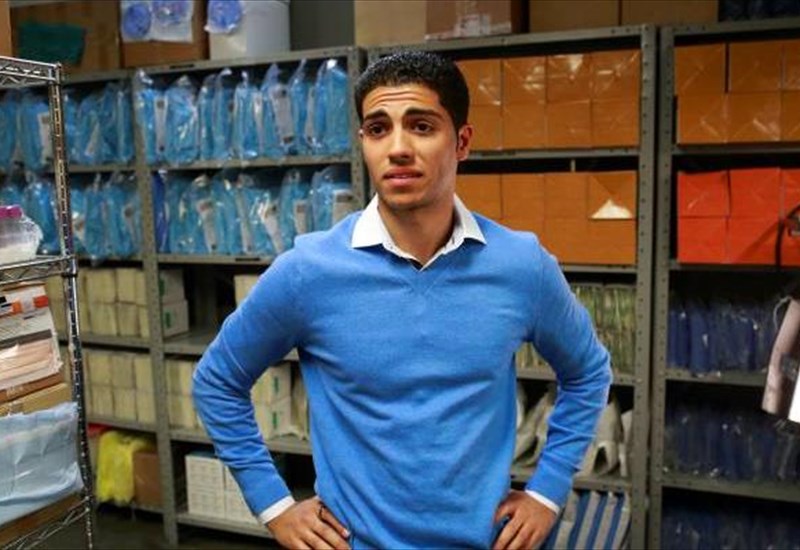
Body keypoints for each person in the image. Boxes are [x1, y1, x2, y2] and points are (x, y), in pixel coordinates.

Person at [193, 51, 612, 549]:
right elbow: (218, 381)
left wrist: (546, 492)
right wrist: (274, 507)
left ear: (462, 142)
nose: (397, 148)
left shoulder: (521, 266)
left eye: (421, 126)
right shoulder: (309, 272)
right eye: (378, 129)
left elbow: (588, 372)